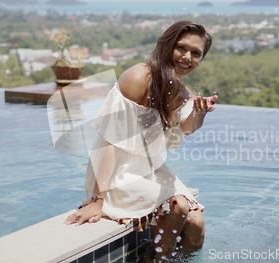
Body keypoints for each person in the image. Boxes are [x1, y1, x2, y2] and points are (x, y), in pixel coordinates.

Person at [65, 20, 217, 261]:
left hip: (150, 169)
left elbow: (185, 130)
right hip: (116, 173)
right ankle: (155, 260)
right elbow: (110, 142)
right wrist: (97, 199)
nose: (187, 57)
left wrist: (199, 114)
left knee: (196, 222)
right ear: (166, 45)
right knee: (176, 204)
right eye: (181, 48)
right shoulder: (137, 78)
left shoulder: (183, 92)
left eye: (196, 53)